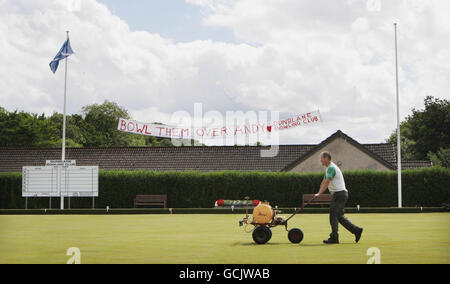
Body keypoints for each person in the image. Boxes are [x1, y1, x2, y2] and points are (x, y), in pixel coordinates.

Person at [314, 151, 363, 244]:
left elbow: (327, 181)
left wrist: (319, 193)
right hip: (340, 194)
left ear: (327, 158)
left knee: (333, 215)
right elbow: (324, 181)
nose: (320, 160)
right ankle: (357, 230)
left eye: (321, 158)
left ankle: (334, 238)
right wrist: (318, 193)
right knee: (339, 216)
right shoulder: (328, 168)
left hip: (339, 194)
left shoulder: (331, 168)